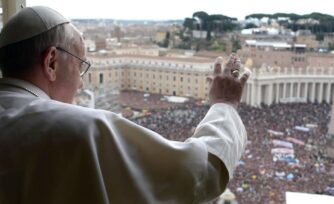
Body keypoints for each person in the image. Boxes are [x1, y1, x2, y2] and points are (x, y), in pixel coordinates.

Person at [0, 6, 250, 204]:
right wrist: (225, 104)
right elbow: (201, 174)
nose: (81, 83)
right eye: (80, 65)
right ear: (51, 62)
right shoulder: (83, 129)